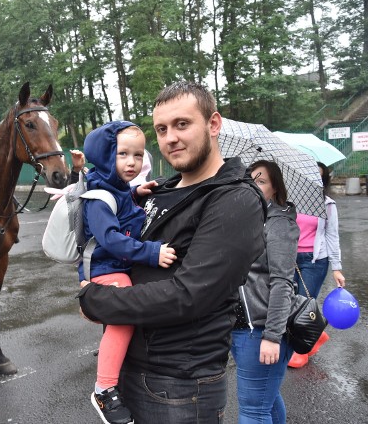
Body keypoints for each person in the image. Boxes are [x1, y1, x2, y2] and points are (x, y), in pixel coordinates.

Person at [77, 81, 266, 424]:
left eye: (182, 124)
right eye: (161, 129)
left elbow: (189, 295)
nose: (170, 138)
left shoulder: (234, 200)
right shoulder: (159, 190)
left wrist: (97, 301)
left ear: (213, 124)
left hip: (178, 384)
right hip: (130, 367)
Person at [80, 121, 176, 424]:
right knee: (125, 316)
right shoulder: (97, 197)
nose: (132, 162)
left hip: (116, 264)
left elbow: (121, 202)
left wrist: (136, 193)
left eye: (137, 155)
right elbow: (110, 238)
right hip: (105, 269)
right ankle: (104, 388)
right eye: (123, 155)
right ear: (106, 156)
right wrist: (151, 252)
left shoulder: (118, 187)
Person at [231, 160, 299, 423]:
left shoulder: (279, 223)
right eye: (250, 180)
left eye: (261, 181)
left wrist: (272, 335)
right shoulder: (248, 219)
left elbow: (283, 282)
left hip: (260, 329)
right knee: (265, 400)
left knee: (252, 410)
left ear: (275, 188)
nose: (254, 185)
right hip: (239, 325)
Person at [288, 161, 346, 368]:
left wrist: (336, 268)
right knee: (289, 302)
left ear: (323, 181)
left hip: (314, 261)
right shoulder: (288, 201)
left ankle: (301, 350)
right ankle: (317, 334)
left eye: (319, 177)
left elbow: (332, 236)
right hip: (288, 259)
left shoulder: (327, 204)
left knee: (304, 302)